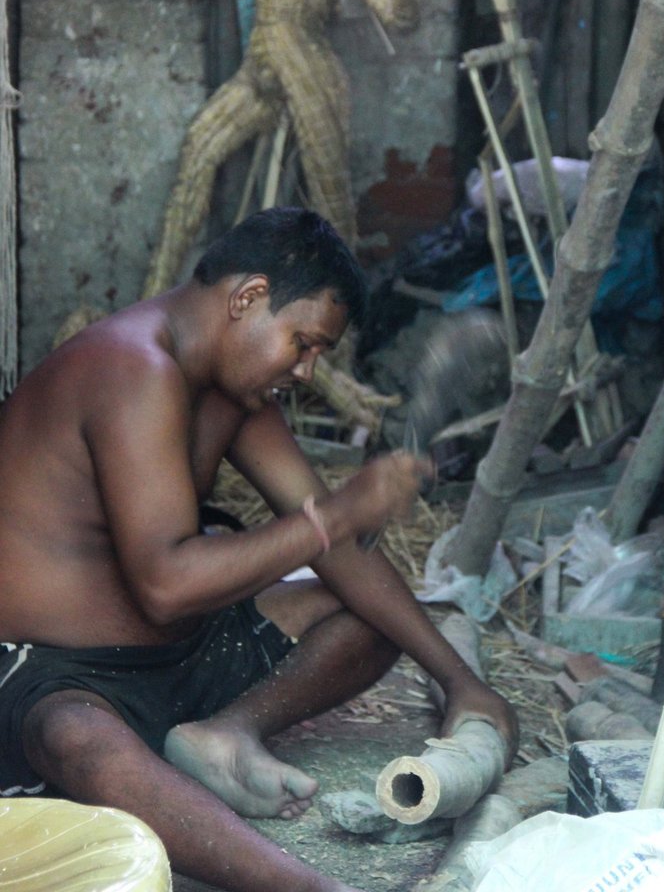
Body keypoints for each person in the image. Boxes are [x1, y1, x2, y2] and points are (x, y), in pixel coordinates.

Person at [0, 207, 518, 892]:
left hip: (186, 657)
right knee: (82, 748)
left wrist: (463, 683)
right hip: (65, 676)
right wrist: (335, 514)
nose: (307, 371)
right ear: (247, 298)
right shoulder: (129, 368)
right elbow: (166, 583)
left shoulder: (231, 392)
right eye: (303, 343)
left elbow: (343, 554)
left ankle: (226, 732)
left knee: (369, 611)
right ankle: (310, 889)